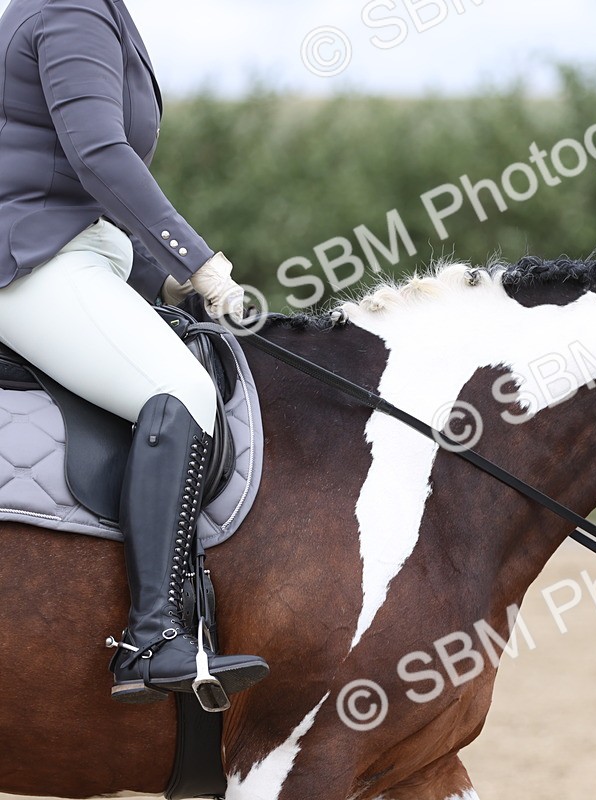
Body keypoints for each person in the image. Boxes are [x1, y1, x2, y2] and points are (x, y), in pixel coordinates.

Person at [0, 0, 268, 704]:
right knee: (181, 394)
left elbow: (70, 179)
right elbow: (96, 154)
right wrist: (198, 261)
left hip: (74, 251)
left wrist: (159, 276)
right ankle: (151, 640)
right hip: (32, 257)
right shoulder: (71, 9)